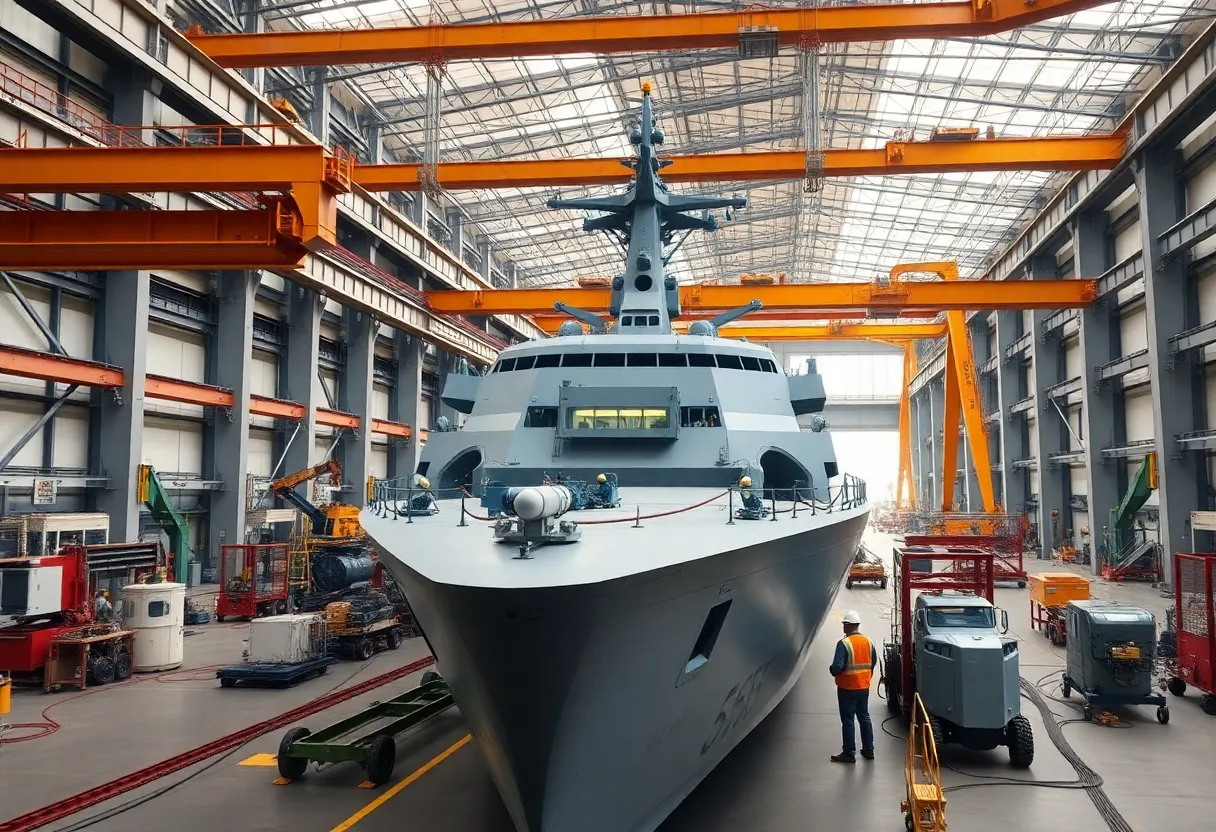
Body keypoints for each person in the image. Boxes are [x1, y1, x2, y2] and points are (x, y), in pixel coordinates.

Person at [829, 609, 876, 763]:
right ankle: (869, 750)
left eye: (844, 624)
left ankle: (849, 753)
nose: (843, 627)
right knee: (864, 716)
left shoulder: (844, 644)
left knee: (848, 720)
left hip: (847, 688)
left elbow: (837, 667)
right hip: (864, 687)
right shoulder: (868, 642)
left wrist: (832, 670)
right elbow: (873, 661)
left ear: (848, 626)